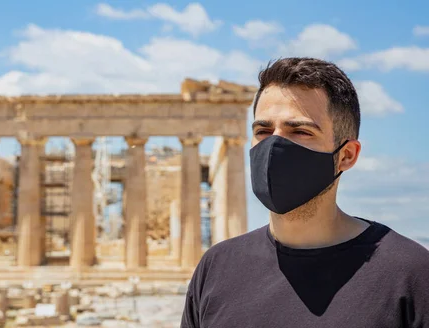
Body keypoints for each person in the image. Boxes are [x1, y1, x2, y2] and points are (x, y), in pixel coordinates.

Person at [181, 57, 429, 328]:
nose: (274, 145)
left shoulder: (411, 276)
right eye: (263, 130)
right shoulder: (216, 268)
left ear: (346, 155)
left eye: (299, 131)